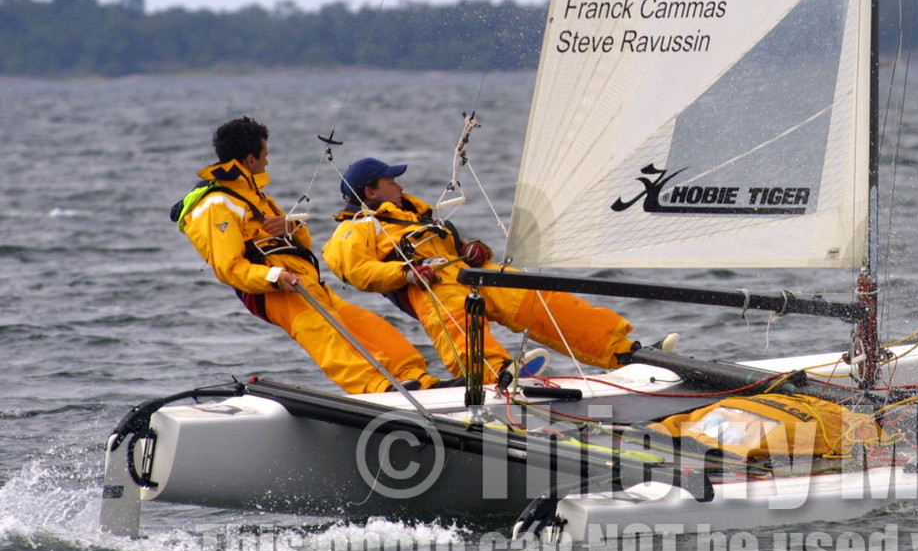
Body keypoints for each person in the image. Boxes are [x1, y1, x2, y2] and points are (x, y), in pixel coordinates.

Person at [322, 157, 665, 381]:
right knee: (460, 321)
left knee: (536, 296)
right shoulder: (354, 229)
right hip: (431, 289)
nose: (399, 186)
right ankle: (494, 374)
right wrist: (407, 273)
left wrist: (476, 250)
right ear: (369, 191)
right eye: (390, 181)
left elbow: (458, 250)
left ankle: (621, 351)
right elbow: (357, 272)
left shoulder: (418, 217)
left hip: (470, 276)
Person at [177, 118, 441, 394]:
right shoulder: (216, 205)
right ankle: (378, 386)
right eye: (265, 155)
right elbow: (228, 267)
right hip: (274, 291)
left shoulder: (253, 195)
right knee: (326, 335)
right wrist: (275, 276)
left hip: (304, 282)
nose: (267, 163)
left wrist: (290, 227)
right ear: (251, 159)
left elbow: (299, 240)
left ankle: (419, 380)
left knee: (368, 325)